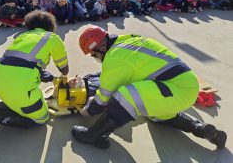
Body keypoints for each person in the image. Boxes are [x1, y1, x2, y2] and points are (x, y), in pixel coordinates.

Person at [71, 26, 227, 150]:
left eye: (93, 55)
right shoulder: (127, 40)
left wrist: (87, 110)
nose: (95, 58)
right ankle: (200, 128)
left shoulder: (114, 57)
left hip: (176, 88)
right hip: (185, 85)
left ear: (101, 48)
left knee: (126, 96)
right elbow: (121, 71)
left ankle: (96, 135)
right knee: (154, 113)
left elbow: (103, 98)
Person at [0, 10, 69, 139]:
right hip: (19, 86)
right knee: (41, 118)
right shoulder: (52, 38)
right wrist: (64, 75)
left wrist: (40, 73)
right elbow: (64, 69)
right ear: (50, 25)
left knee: (18, 103)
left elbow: (21, 61)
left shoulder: (23, 36)